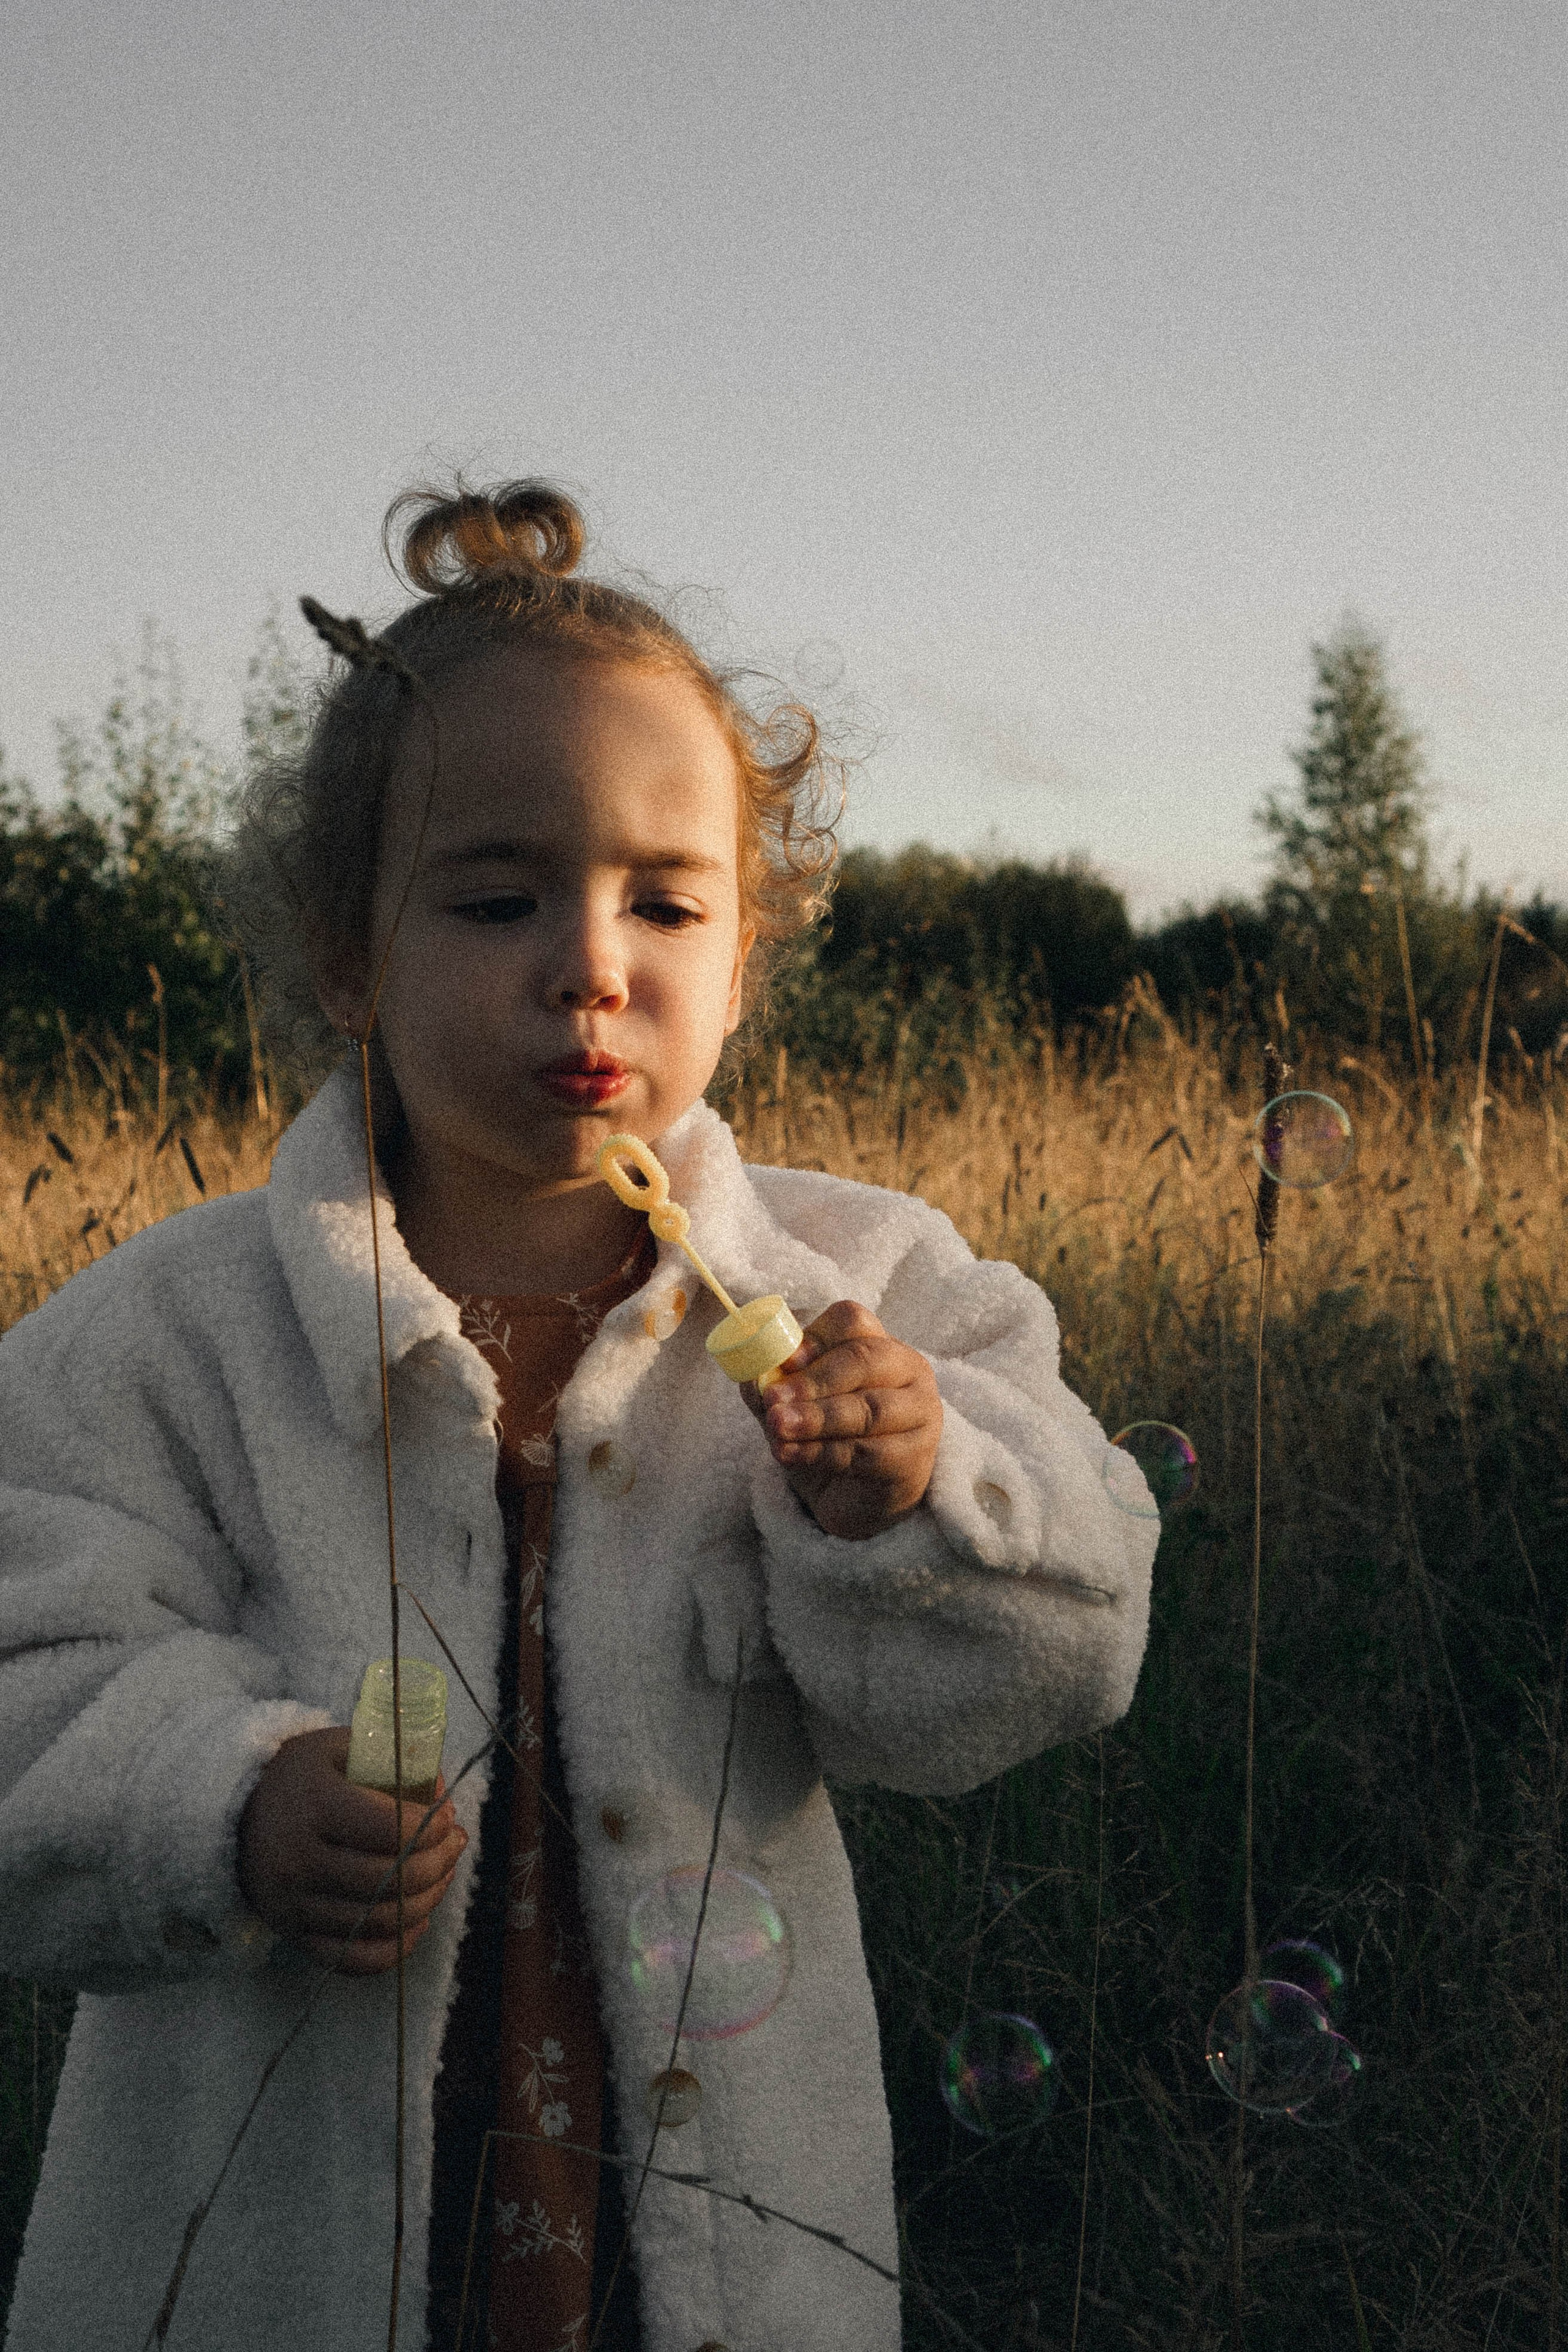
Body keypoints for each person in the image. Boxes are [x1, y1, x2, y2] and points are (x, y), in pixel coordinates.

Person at [0, 483, 1156, 2352]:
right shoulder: (171, 1340)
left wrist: (928, 1491)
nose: (593, 959)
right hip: (264, 2255)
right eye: (498, 894)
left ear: (744, 952)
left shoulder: (873, 1285)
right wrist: (221, 1801)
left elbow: (1069, 1644)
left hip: (698, 2240)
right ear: (348, 953)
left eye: (666, 898)